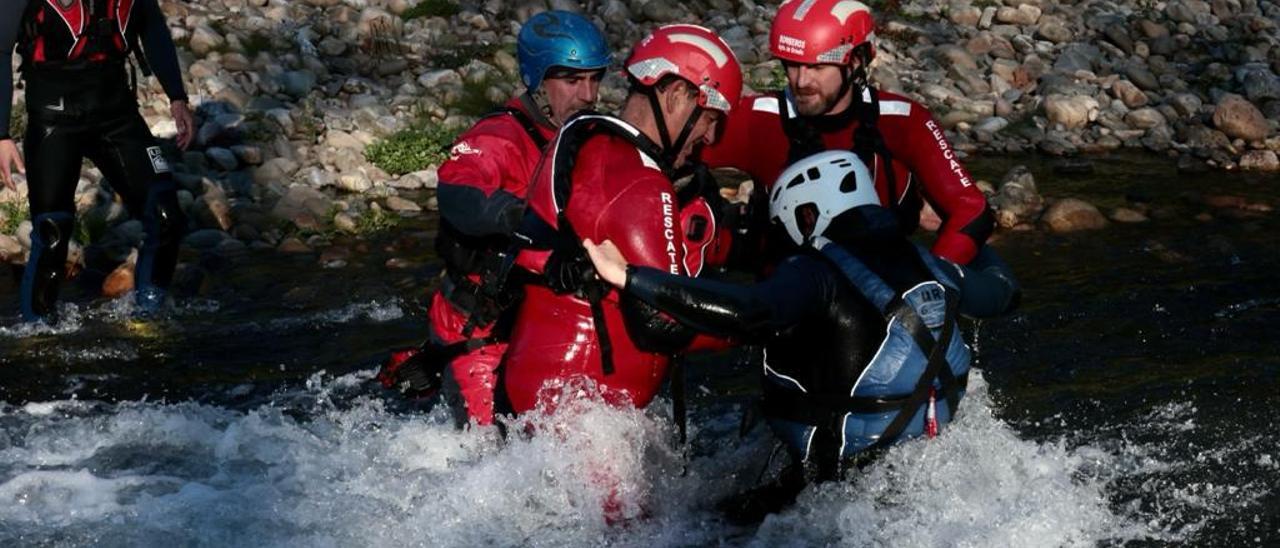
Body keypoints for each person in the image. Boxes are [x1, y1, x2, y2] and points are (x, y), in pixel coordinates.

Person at [584, 150, 1020, 521]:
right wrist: (976, 235)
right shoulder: (935, 266)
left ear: (808, 213)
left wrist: (631, 277)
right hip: (925, 478)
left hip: (832, 496)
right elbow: (1003, 292)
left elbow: (746, 310)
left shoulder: (814, 273)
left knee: (691, 524)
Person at [376, 11, 611, 427]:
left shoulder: (582, 138)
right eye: (573, 81)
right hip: (479, 333)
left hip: (539, 327)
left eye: (595, 79)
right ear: (538, 80)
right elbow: (457, 190)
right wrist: (516, 215)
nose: (588, 94)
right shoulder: (497, 137)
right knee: (490, 462)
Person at [498, 24, 744, 416]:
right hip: (580, 411)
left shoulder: (597, 147)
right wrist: (770, 320)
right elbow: (665, 323)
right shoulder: (639, 180)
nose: (711, 137)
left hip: (551, 398)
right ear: (677, 95)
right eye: (710, 118)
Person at [702, 0, 993, 266]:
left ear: (855, 62)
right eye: (792, 65)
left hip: (883, 297)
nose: (801, 80)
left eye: (817, 66)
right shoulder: (758, 118)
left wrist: (934, 283)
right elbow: (665, 159)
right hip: (786, 299)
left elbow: (972, 211)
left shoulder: (904, 122)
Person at [0, 0, 193, 322]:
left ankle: (149, 319)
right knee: (52, 231)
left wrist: (177, 97)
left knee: (165, 215)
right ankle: (37, 333)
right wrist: (2, 135)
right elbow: (1, 50)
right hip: (53, 120)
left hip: (117, 115)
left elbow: (153, 28)